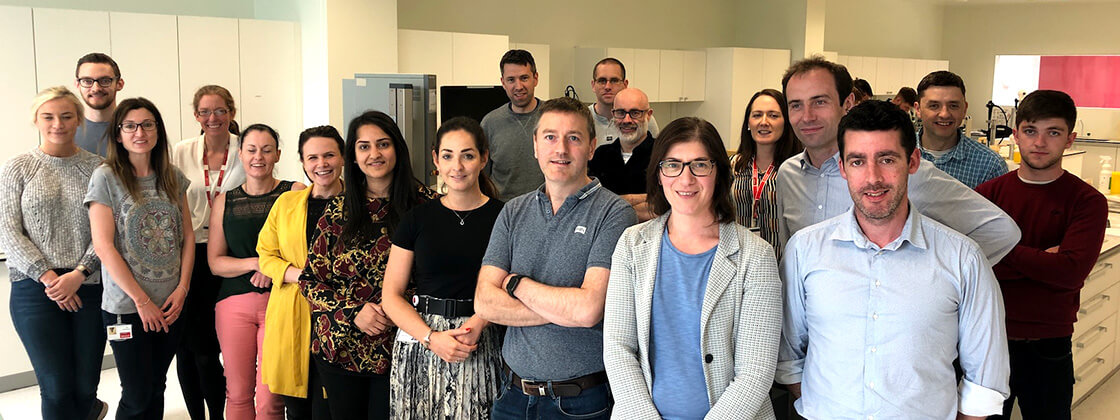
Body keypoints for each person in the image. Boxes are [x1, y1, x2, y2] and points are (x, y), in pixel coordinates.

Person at [776, 100, 1010, 419]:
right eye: (857, 161)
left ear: (913, 161)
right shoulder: (804, 250)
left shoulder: (963, 258)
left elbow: (983, 383)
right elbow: (789, 359)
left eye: (886, 159)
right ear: (842, 167)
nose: (873, 178)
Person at [604, 117, 781, 419]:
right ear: (659, 174)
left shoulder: (756, 257)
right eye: (673, 165)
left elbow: (755, 373)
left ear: (719, 173)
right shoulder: (632, 245)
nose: (685, 179)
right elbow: (618, 349)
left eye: (700, 165)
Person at [475, 97, 637, 420]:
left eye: (573, 138)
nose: (560, 149)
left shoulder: (615, 213)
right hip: (512, 396)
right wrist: (564, 308)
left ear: (591, 147)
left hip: (579, 402)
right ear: (535, 145)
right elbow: (484, 302)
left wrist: (516, 283)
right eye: (549, 137)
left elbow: (589, 309)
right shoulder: (513, 211)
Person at [773, 56, 1020, 264]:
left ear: (847, 103)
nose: (807, 116)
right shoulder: (788, 175)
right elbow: (790, 257)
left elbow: (999, 231)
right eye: (796, 105)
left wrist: (933, 277)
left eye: (819, 102)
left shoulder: (899, 172)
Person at [976, 90, 1108, 420]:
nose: (1039, 142)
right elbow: (972, 266)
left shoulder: (1087, 201)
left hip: (1048, 344)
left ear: (1069, 139)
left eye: (1053, 132)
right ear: (1016, 133)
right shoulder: (987, 195)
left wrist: (999, 251)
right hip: (989, 342)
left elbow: (1069, 273)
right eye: (1031, 130)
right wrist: (1043, 259)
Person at [301, 110, 437, 419]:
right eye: (364, 146)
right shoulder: (338, 210)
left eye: (383, 144)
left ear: (397, 149)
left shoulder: (428, 207)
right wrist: (353, 312)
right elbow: (310, 280)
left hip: (403, 346)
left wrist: (395, 309)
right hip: (340, 347)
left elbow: (439, 277)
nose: (374, 154)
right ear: (353, 156)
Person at [383, 117, 505, 419]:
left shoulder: (505, 216)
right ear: (436, 159)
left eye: (468, 155)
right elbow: (391, 295)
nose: (457, 166)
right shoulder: (417, 219)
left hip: (477, 338)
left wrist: (476, 324)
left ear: (484, 158)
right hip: (420, 341)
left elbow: (510, 287)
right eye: (448, 156)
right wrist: (430, 338)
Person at [0, 87, 108, 420]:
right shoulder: (17, 168)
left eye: (66, 116)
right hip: (34, 290)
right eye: (48, 116)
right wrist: (49, 278)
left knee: (85, 385)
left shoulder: (99, 169)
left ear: (78, 121)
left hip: (88, 287)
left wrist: (78, 274)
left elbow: (107, 231)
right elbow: (7, 231)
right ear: (36, 120)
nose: (57, 124)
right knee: (56, 386)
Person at [86, 97, 194, 420]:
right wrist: (142, 301)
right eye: (130, 126)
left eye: (148, 124)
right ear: (118, 135)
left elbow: (187, 237)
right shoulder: (106, 178)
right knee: (137, 392)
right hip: (127, 308)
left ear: (157, 131)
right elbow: (104, 246)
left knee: (156, 385)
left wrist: (183, 289)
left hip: (171, 304)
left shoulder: (172, 176)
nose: (140, 132)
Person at [208, 124, 303, 420]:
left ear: (277, 155)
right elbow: (216, 262)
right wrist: (255, 263)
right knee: (237, 393)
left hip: (282, 302)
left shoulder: (295, 192)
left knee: (271, 398)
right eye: (251, 150)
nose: (258, 157)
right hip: (233, 303)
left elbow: (306, 248)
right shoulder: (226, 200)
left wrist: (274, 268)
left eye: (266, 150)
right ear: (240, 154)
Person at [257, 125, 344, 420]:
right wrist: (299, 275)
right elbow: (265, 254)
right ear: (303, 162)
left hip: (339, 318)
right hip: (292, 313)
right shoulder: (287, 203)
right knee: (295, 408)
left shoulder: (359, 205)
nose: (321, 164)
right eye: (313, 157)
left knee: (329, 408)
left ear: (342, 158)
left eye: (329, 155)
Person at [172, 84, 243, 420]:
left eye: (219, 110)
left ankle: (219, 413)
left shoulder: (246, 149)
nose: (212, 118)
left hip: (231, 255)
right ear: (196, 115)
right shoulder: (181, 152)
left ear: (231, 112)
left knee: (213, 349)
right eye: (205, 112)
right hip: (189, 254)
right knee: (188, 350)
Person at [730, 89, 802, 252]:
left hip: (782, 263)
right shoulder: (734, 166)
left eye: (773, 115)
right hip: (740, 260)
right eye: (757, 115)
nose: (764, 121)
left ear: (786, 122)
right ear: (748, 123)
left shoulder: (797, 170)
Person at [916, 70, 1007, 188]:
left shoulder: (990, 166)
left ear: (964, 109)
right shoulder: (896, 153)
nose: (944, 114)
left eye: (953, 106)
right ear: (918, 109)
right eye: (934, 106)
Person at [482, 49, 545, 201]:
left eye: (524, 78)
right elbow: (483, 177)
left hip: (547, 208)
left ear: (535, 78)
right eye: (511, 80)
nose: (518, 86)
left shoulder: (553, 117)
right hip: (503, 211)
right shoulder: (490, 123)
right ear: (503, 82)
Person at [588, 87, 656, 221]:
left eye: (635, 113)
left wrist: (611, 206)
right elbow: (591, 204)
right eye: (620, 113)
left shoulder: (664, 155)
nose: (626, 120)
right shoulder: (600, 155)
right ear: (613, 114)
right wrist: (643, 199)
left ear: (648, 115)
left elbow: (665, 205)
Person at [586, 58, 660, 146]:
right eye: (602, 81)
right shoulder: (583, 118)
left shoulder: (643, 120)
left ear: (625, 84)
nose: (607, 86)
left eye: (614, 81)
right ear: (593, 85)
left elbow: (657, 152)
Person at [73, 52, 124, 157]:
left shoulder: (137, 130)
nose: (96, 88)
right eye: (87, 81)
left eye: (105, 81)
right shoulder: (67, 132)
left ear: (119, 84)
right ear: (77, 85)